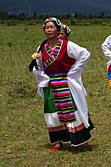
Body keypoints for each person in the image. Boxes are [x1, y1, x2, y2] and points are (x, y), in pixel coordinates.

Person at [31, 17, 94, 151]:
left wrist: (73, 72)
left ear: (58, 29)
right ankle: (57, 141)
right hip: (50, 85)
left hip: (65, 83)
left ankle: (75, 137)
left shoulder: (67, 45)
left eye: (52, 27)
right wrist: (42, 77)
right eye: (47, 27)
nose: (49, 30)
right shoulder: (41, 48)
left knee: (69, 110)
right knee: (52, 113)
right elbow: (37, 66)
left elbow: (85, 54)